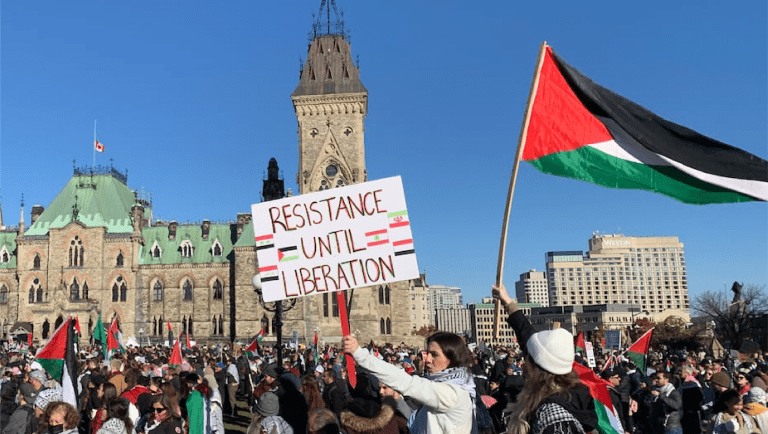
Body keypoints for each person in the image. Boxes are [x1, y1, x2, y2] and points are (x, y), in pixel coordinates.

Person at [493, 284, 597, 434]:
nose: (524, 365)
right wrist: (509, 303)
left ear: (536, 367)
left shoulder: (553, 417)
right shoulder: (567, 393)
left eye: (528, 359)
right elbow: (527, 336)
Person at [342, 331, 475, 434]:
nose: (427, 359)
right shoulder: (449, 387)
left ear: (452, 359)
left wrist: (360, 354)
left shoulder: (451, 393)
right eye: (427, 353)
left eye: (434, 355)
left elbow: (406, 382)